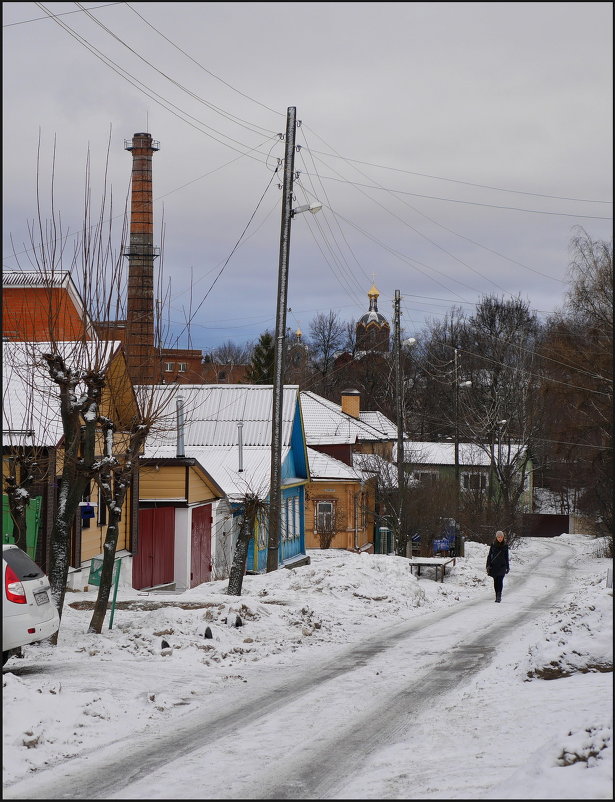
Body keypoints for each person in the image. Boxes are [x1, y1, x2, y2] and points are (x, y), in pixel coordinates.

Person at [486, 530, 510, 602]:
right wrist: (488, 565)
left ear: (503, 537)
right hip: (494, 566)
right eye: (498, 537)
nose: (500, 538)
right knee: (496, 581)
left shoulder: (505, 546)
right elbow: (489, 555)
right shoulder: (493, 545)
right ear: (496, 537)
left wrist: (507, 567)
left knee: (500, 580)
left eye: (501, 537)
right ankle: (497, 594)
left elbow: (506, 557)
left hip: (502, 566)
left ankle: (499, 595)